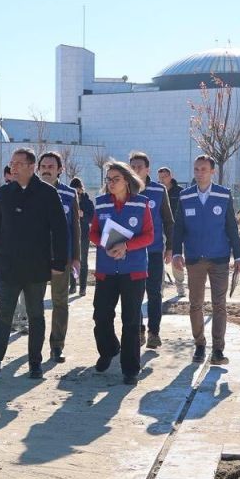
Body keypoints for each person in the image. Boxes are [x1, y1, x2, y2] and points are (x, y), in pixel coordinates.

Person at [0, 148, 70, 380]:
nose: (13, 167)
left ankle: (35, 363)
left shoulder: (47, 193)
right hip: (7, 266)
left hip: (36, 266)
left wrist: (59, 262)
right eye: (12, 163)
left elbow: (59, 230)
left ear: (31, 166)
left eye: (18, 163)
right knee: (3, 315)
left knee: (36, 315)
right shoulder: (5, 193)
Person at [171, 155, 240, 366]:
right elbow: (178, 227)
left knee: (219, 305)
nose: (199, 173)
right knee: (195, 304)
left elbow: (231, 227)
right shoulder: (185, 196)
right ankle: (200, 345)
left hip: (219, 258)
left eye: (203, 169)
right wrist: (176, 253)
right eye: (196, 169)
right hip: (194, 259)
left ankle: (218, 350)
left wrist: (239, 255)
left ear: (212, 171)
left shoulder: (223, 194)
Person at [90, 160, 154, 385]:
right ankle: (109, 349)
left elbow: (149, 236)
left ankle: (130, 369)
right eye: (108, 179)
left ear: (127, 181)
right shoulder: (101, 204)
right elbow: (93, 233)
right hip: (106, 270)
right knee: (101, 316)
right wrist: (105, 244)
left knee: (131, 320)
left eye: (115, 179)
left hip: (133, 270)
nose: (111, 183)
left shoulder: (141, 203)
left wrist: (126, 246)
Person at [38, 151, 80, 363]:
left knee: (60, 302)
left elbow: (75, 227)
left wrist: (76, 257)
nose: (47, 170)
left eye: (51, 166)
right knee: (35, 304)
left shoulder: (69, 194)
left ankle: (57, 345)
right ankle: (35, 347)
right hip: (35, 258)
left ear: (60, 170)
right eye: (43, 166)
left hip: (61, 258)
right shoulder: (30, 191)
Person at [129, 152, 174, 349]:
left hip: (154, 251)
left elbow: (168, 221)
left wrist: (170, 247)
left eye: (139, 166)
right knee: (134, 294)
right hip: (131, 251)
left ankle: (154, 332)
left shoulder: (158, 190)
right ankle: (138, 330)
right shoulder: (125, 189)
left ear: (147, 169)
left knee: (154, 292)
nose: (136, 170)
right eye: (132, 166)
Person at [157, 166, 186, 298]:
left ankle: (180, 287)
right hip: (159, 230)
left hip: (175, 231)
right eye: (160, 177)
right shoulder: (157, 191)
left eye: (165, 176)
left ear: (171, 176)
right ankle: (160, 289)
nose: (163, 179)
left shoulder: (180, 192)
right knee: (159, 261)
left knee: (176, 259)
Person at [70, 176, 94, 296]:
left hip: (84, 235)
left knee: (83, 261)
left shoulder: (88, 202)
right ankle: (73, 286)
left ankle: (83, 288)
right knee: (72, 260)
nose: (76, 192)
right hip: (71, 235)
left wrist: (83, 215)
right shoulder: (69, 200)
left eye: (77, 189)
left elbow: (93, 218)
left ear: (81, 189)